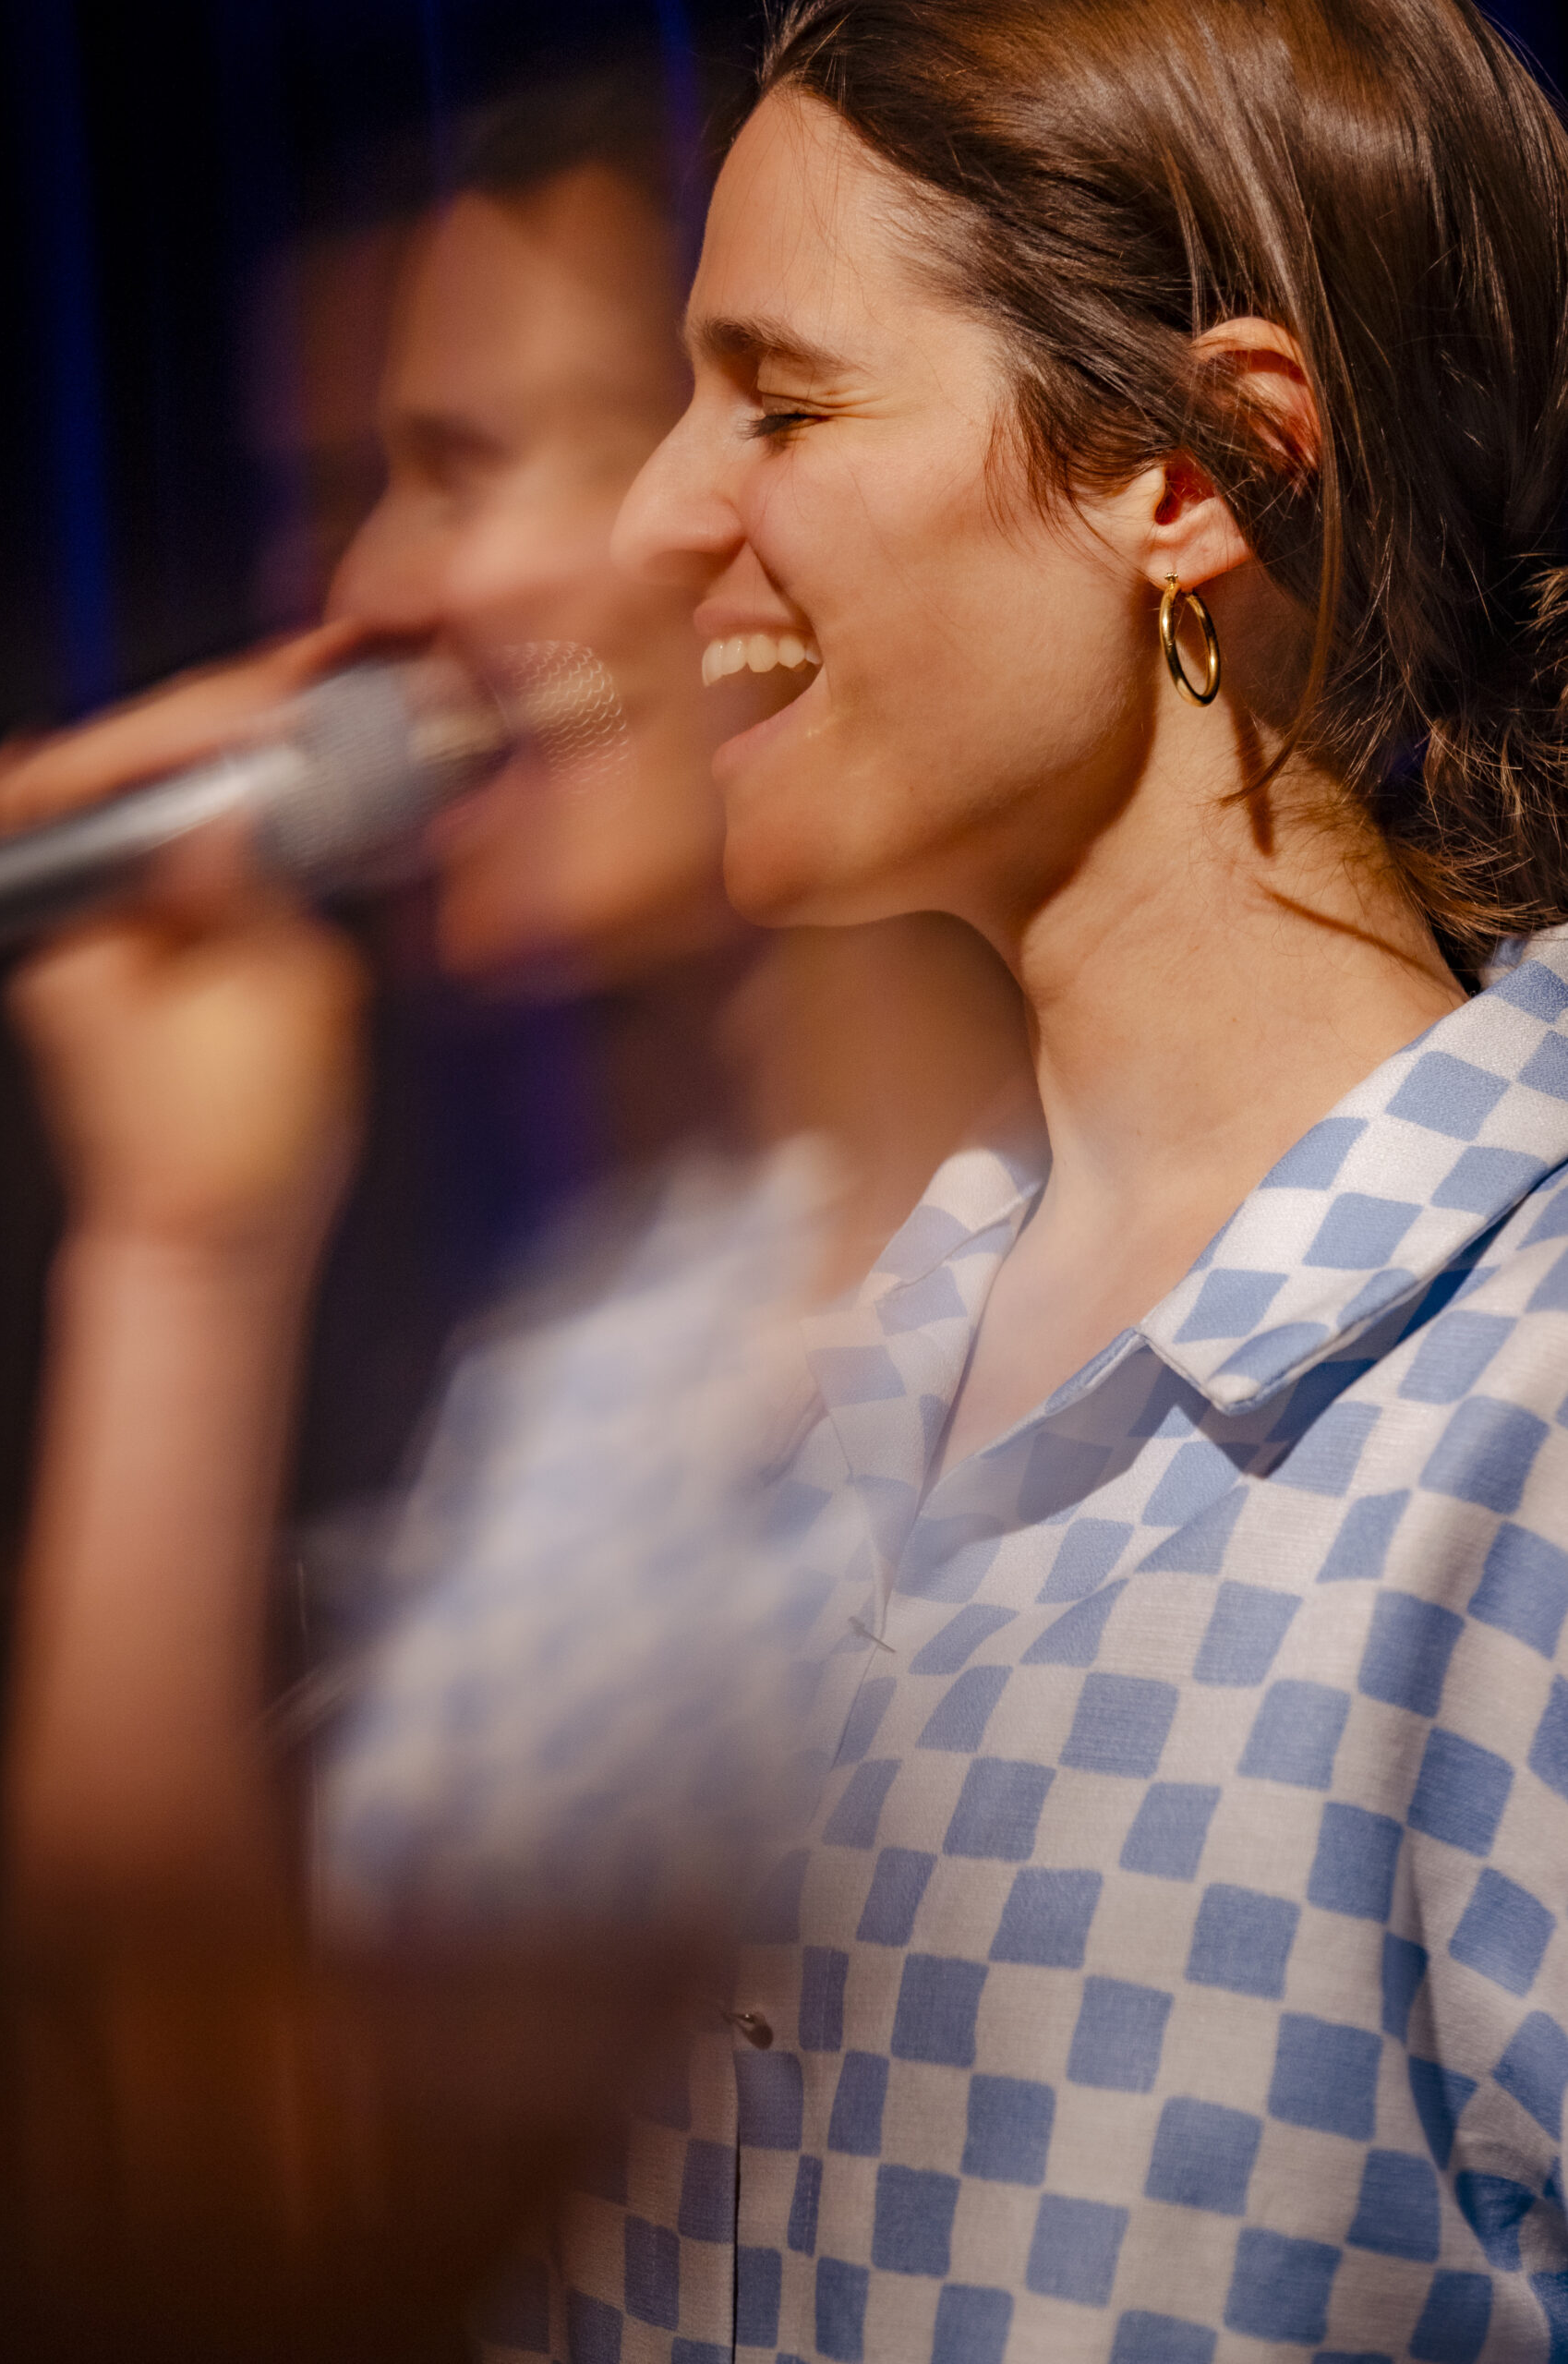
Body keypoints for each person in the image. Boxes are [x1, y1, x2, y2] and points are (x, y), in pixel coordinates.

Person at [500, 0, 1568, 2354]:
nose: (651, 517)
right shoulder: (840, 1386)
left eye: (777, 403)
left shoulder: (1529, 1433)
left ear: (1190, 465)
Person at [0, 51, 1029, 2364]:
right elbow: (187, 2197)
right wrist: (180, 1243)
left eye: (458, 464)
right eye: (343, 492)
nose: (365, 594)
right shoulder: (572, 1378)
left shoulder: (1222, 1285)